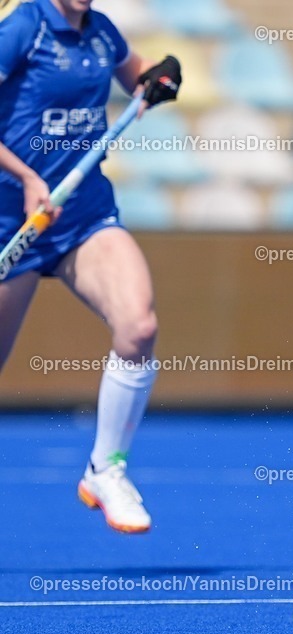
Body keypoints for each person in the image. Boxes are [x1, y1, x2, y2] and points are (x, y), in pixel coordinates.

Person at [0, 0, 182, 533]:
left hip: (83, 215)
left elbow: (141, 77)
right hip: (16, 221)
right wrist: (29, 179)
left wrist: (159, 80)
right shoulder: (23, 30)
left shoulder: (101, 32)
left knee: (139, 326)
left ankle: (106, 468)